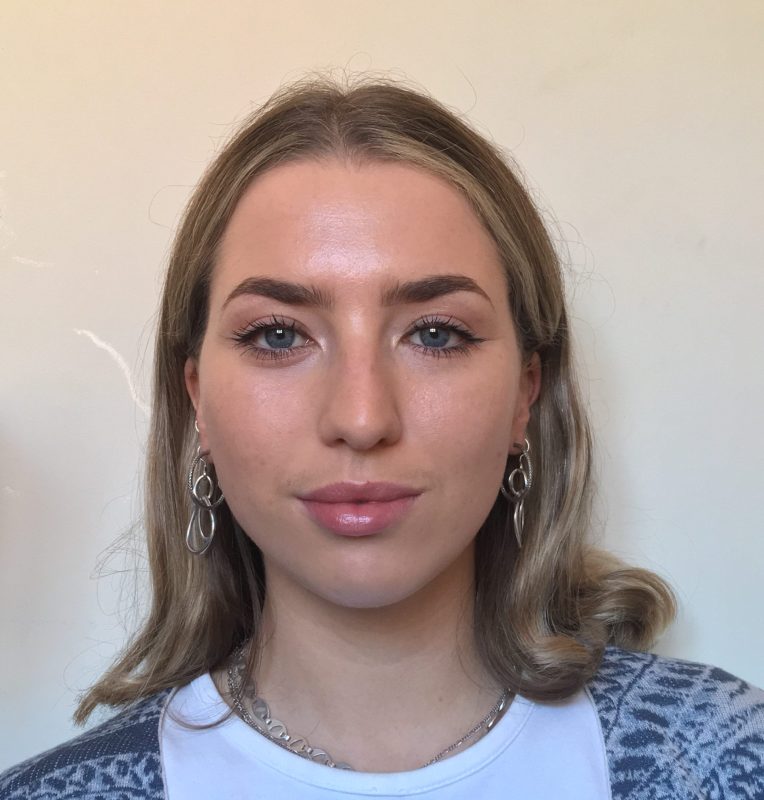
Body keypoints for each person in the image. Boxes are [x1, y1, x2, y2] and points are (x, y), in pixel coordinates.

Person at [1, 76, 762, 800]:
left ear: (526, 394)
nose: (362, 419)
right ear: (196, 399)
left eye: (435, 333)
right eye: (276, 335)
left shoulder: (722, 760)